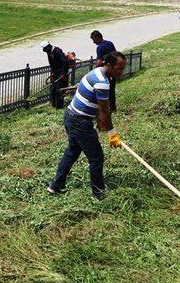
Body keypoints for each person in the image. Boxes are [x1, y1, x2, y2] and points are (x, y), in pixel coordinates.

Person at [47, 51, 127, 200]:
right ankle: (98, 194)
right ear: (108, 65)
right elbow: (105, 111)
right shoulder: (102, 83)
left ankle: (55, 186)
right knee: (96, 158)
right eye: (119, 68)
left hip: (70, 116)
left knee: (72, 152)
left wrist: (97, 118)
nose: (121, 72)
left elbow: (96, 104)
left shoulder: (96, 71)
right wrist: (112, 133)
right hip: (80, 122)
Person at [90, 30, 118, 112]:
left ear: (97, 37)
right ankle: (113, 108)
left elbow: (99, 62)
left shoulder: (100, 48)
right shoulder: (110, 43)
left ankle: (104, 109)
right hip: (114, 70)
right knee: (111, 91)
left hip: (106, 72)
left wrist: (95, 71)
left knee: (104, 91)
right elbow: (115, 54)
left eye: (93, 40)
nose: (93, 42)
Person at [41, 40, 69, 109]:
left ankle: (59, 107)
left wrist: (63, 74)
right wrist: (53, 73)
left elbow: (65, 62)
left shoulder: (57, 51)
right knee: (53, 89)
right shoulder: (49, 52)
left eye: (44, 50)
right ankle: (54, 105)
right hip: (56, 72)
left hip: (61, 71)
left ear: (48, 47)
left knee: (59, 90)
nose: (44, 51)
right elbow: (51, 64)